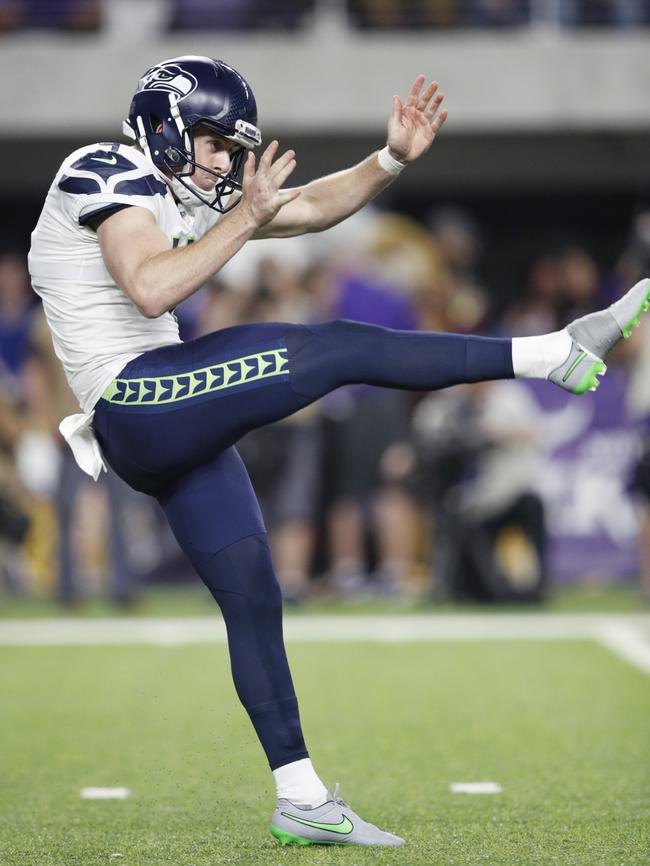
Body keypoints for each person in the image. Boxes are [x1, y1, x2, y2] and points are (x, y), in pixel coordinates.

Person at [28, 55, 649, 847]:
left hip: (165, 418)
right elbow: (151, 287)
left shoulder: (187, 189)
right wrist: (244, 220)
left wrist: (387, 160)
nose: (224, 161)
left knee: (254, 595)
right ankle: (552, 353)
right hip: (136, 401)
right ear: (165, 128)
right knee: (340, 347)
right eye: (215, 142)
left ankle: (302, 796)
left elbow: (314, 207)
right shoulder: (104, 169)